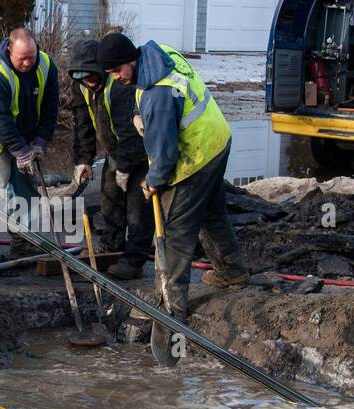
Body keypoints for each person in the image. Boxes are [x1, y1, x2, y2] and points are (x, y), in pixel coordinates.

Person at [97, 31, 249, 321]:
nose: (116, 77)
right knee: (212, 213)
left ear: (131, 59)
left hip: (196, 156)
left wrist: (153, 181)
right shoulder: (159, 53)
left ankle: (170, 306)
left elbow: (165, 155)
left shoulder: (158, 94)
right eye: (110, 73)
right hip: (217, 140)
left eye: (117, 70)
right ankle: (233, 271)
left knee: (173, 232)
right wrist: (138, 114)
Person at [0, 26, 59, 254]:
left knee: (26, 187)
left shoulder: (46, 65)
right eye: (22, 58)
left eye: (31, 57)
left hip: (24, 131)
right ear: (9, 50)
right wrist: (20, 152)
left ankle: (24, 239)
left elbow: (50, 107)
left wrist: (40, 141)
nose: (27, 63)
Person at [69, 37, 152, 280]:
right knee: (109, 196)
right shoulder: (81, 86)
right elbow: (83, 124)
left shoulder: (120, 85)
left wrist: (124, 168)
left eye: (91, 76)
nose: (88, 82)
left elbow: (130, 134)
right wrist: (83, 160)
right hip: (116, 151)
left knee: (137, 207)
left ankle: (134, 260)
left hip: (141, 151)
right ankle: (111, 248)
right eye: (82, 77)